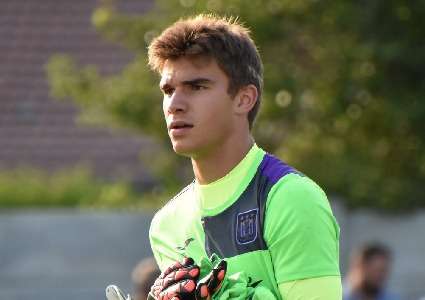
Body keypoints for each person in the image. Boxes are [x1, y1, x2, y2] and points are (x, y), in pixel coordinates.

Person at [147, 14, 341, 300]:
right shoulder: (166, 225)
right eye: (168, 90)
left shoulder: (292, 199)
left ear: (244, 98)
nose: (174, 104)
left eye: (196, 87)